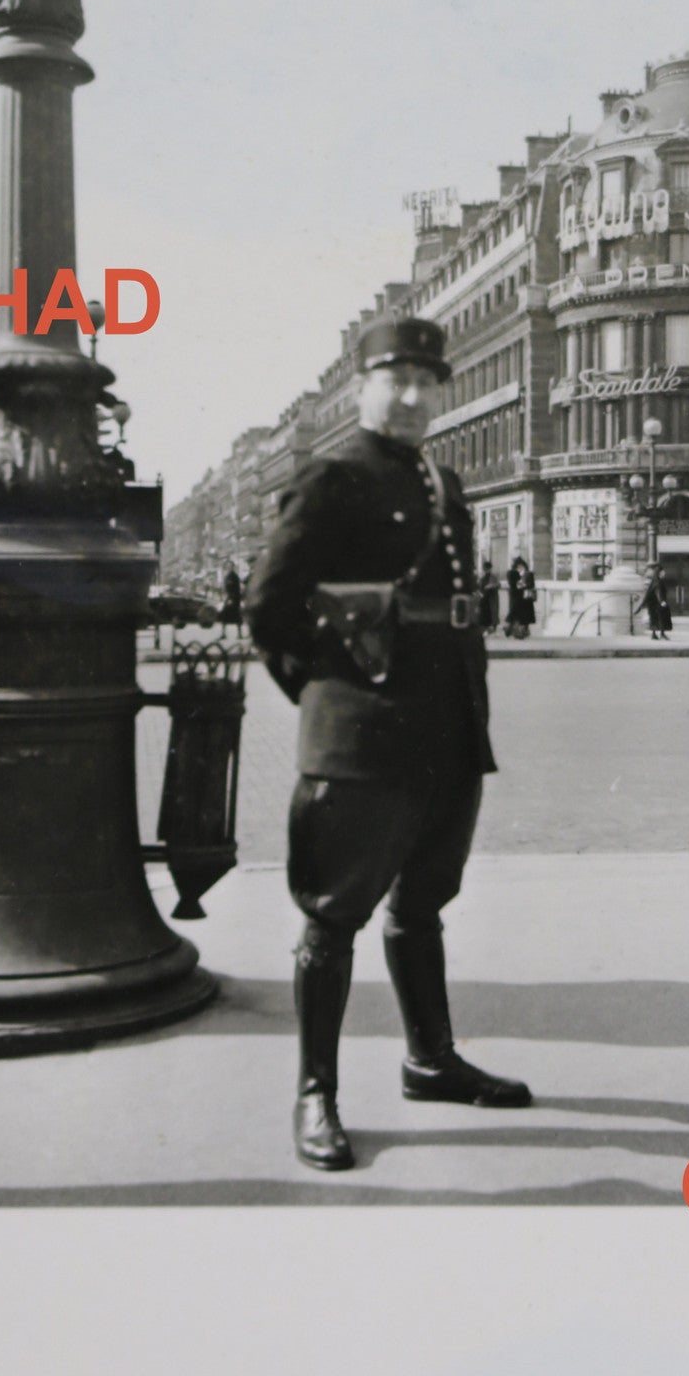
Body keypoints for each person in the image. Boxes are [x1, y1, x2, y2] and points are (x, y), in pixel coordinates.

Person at [246, 314, 531, 1172]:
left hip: (448, 734)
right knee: (334, 920)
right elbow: (269, 608)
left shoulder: (443, 481)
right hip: (362, 744)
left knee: (424, 905)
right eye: (394, 380)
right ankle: (316, 1094)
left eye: (426, 382)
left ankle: (430, 1059)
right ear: (362, 389)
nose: (411, 396)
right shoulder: (331, 479)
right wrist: (330, 696)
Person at [639, 563, 673, 640]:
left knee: (654, 618)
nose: (664, 573)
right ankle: (662, 634)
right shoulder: (659, 581)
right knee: (661, 618)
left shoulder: (654, 581)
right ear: (659, 572)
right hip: (658, 604)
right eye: (662, 572)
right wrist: (662, 601)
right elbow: (658, 591)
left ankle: (654, 634)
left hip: (652, 604)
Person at [505, 555, 536, 638]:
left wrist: (523, 585)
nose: (519, 568)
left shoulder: (527, 573)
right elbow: (516, 584)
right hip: (520, 597)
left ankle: (518, 630)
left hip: (525, 597)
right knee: (519, 614)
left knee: (522, 614)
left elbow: (530, 584)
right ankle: (518, 630)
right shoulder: (515, 573)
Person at [478, 561, 502, 635]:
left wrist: (491, 586)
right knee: (484, 613)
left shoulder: (493, 576)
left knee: (492, 612)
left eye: (487, 568)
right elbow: (479, 586)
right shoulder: (482, 577)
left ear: (490, 568)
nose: (486, 570)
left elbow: (498, 585)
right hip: (484, 598)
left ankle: (493, 628)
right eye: (485, 568)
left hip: (492, 597)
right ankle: (485, 628)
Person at [219, 566, 244, 632]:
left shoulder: (232, 576)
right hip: (232, 598)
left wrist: (230, 598)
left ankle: (238, 633)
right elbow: (227, 588)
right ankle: (224, 633)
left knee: (234, 615)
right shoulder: (229, 576)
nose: (229, 568)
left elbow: (234, 588)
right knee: (229, 615)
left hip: (233, 598)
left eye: (230, 567)